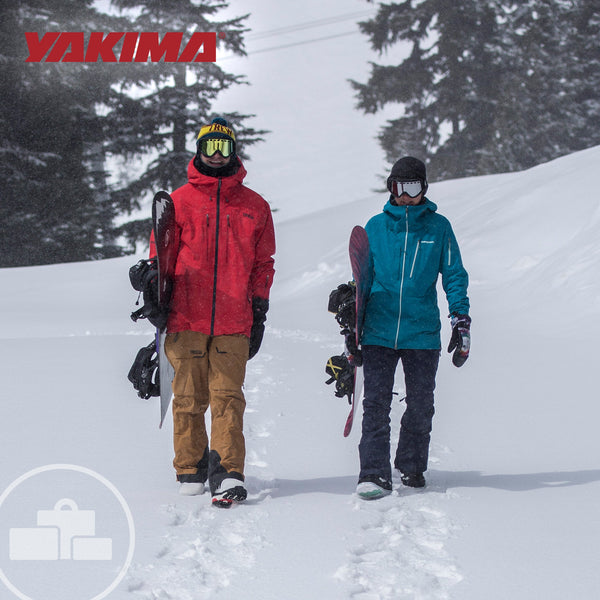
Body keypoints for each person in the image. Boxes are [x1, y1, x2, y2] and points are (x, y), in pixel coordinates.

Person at [152, 117, 275, 507]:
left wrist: (260, 307)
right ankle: (190, 468)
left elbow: (263, 263)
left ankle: (227, 472)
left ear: (234, 151)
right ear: (199, 150)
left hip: (234, 319)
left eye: (224, 148)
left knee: (227, 398)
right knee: (188, 397)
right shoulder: (179, 201)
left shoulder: (255, 206)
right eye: (210, 147)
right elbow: (160, 256)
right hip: (185, 317)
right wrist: (153, 290)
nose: (217, 155)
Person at [355, 156, 470, 500]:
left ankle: (411, 464)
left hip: (421, 332)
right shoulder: (376, 227)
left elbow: (453, 274)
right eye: (399, 187)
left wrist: (460, 317)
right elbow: (363, 279)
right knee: (376, 405)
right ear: (391, 187)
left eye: (413, 187)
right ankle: (373, 473)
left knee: (421, 404)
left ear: (424, 188)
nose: (405, 195)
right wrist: (351, 318)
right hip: (379, 329)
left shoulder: (438, 228)